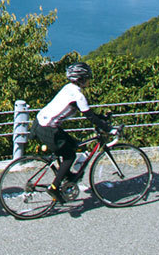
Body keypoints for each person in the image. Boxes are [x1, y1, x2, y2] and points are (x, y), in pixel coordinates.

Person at [31, 62, 111, 204]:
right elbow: (90, 117)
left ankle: (67, 177)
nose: (88, 80)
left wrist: (102, 119)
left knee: (74, 144)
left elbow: (89, 113)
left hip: (41, 122)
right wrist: (108, 128)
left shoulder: (69, 88)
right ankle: (54, 187)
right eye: (87, 77)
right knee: (69, 156)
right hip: (48, 128)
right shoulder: (78, 96)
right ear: (81, 79)